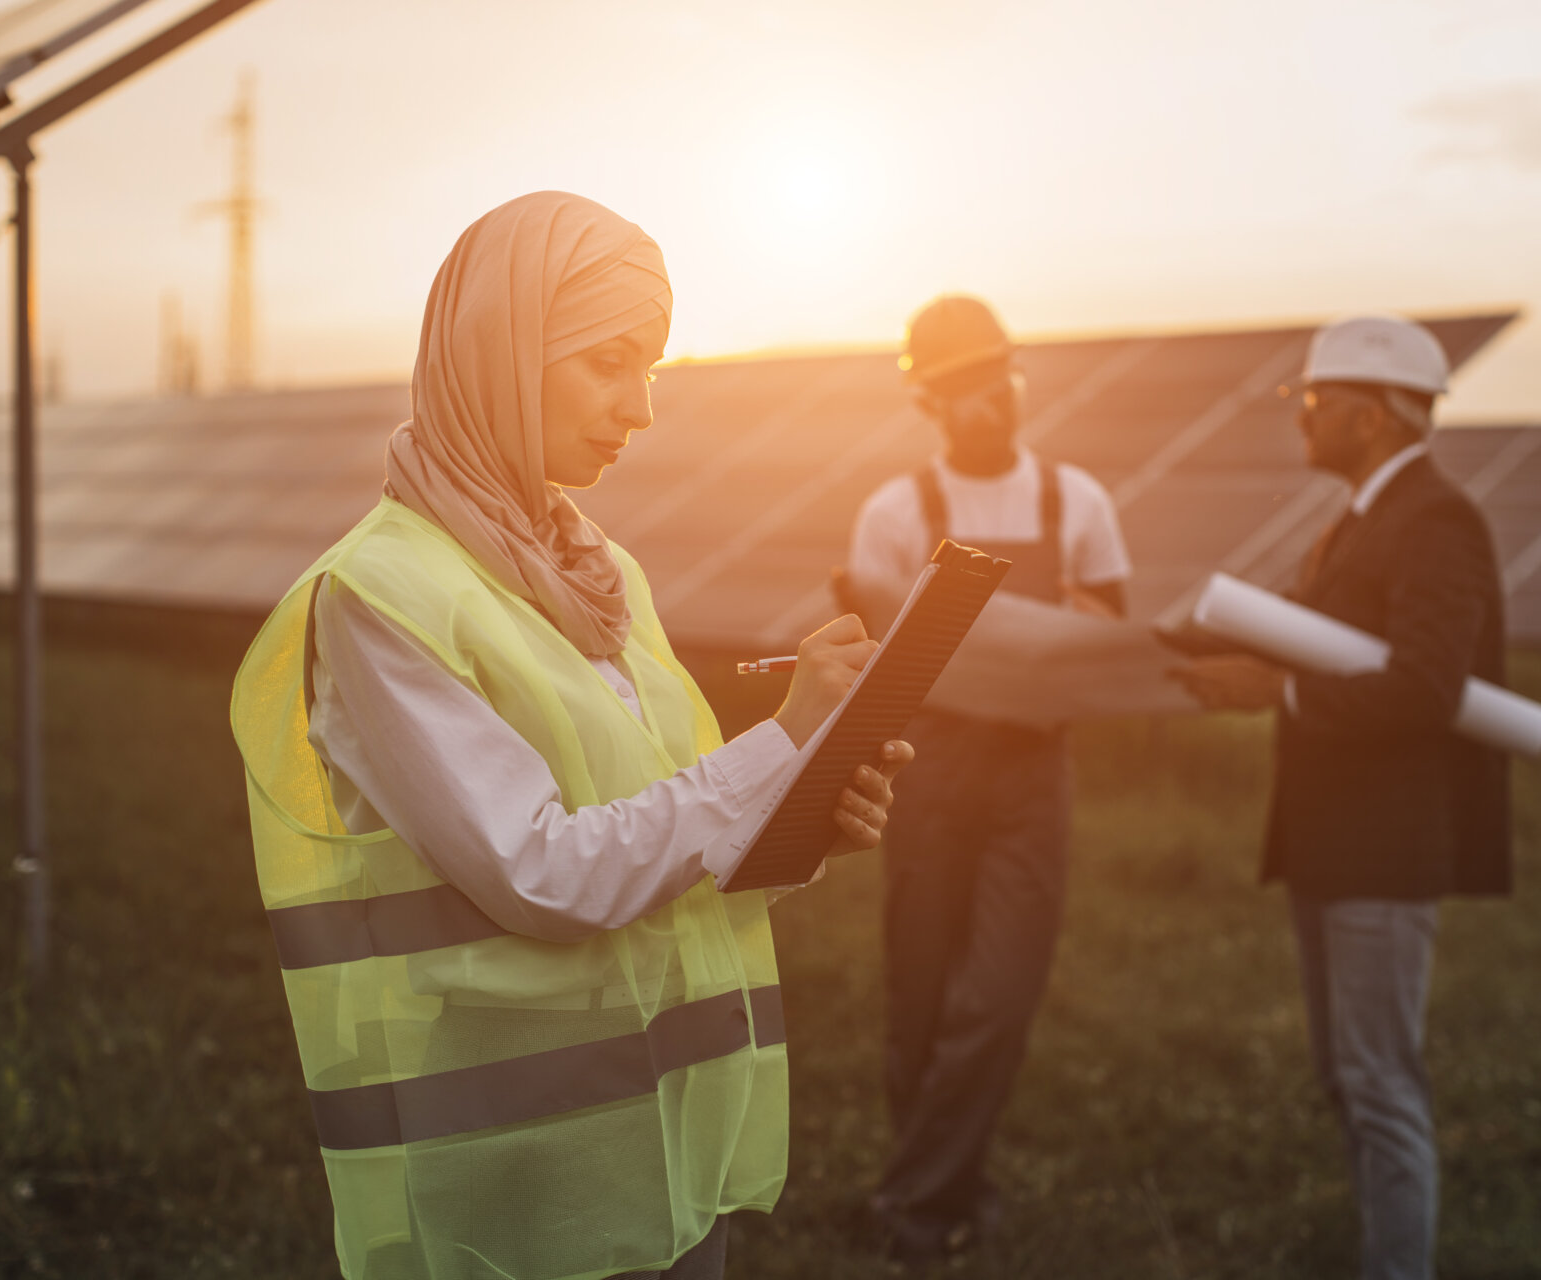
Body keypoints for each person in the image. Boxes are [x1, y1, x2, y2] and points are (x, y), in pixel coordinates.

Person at [229, 192, 914, 1280]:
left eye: (652, 368)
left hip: (665, 1142)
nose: (640, 409)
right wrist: (780, 741)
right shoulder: (380, 596)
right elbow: (544, 871)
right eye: (609, 362)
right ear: (498, 350)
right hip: (522, 1174)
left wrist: (802, 813)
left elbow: (659, 821)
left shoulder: (598, 568)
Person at [1173, 314, 1512, 1280]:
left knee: (1379, 1085)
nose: (1302, 420)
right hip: (1334, 843)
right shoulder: (1363, 519)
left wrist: (1271, 691)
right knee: (1349, 1079)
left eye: (1315, 402)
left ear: (1370, 417)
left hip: (1383, 847)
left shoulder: (1438, 520)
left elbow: (1423, 688)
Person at [843, 294, 1133, 1262]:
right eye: (962, 387)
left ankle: (910, 1202)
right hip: (927, 766)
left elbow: (1107, 638)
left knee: (997, 994)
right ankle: (952, 1194)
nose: (986, 402)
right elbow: (865, 661)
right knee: (922, 993)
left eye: (996, 379)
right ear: (928, 400)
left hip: (1031, 771)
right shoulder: (893, 512)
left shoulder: (1076, 501)